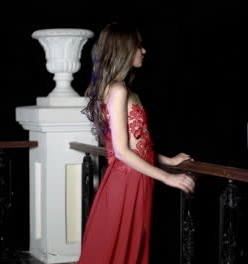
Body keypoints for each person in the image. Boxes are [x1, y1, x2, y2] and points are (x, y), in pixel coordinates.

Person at [79, 23, 196, 264]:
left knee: (127, 249)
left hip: (132, 179)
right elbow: (122, 151)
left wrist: (170, 161)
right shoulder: (119, 90)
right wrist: (168, 178)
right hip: (126, 182)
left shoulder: (118, 88)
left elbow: (136, 145)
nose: (143, 51)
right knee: (119, 251)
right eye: (138, 46)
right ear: (124, 50)